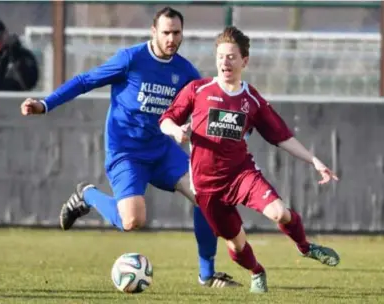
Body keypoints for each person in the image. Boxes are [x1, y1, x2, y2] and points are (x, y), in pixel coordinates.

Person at [19, 7, 241, 288]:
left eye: (177, 33)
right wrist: (45, 103)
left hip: (162, 151)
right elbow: (85, 81)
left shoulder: (185, 71)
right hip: (126, 153)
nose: (172, 39)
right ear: (153, 32)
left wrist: (232, 123)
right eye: (166, 33)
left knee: (208, 197)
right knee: (132, 221)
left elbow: (206, 105)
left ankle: (207, 275)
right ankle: (87, 196)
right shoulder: (131, 59)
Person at [159, 26, 340, 293]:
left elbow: (281, 136)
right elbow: (166, 120)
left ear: (245, 61)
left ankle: (305, 247)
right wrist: (176, 131)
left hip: (241, 175)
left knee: (280, 212)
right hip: (206, 186)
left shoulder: (251, 100)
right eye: (221, 56)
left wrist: (314, 160)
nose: (225, 62)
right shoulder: (198, 90)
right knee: (236, 244)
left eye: (231, 56)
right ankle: (257, 271)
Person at [0, 19, 39, 91]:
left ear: (5, 35)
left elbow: (28, 83)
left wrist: (15, 54)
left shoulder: (22, 55)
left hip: (14, 100)